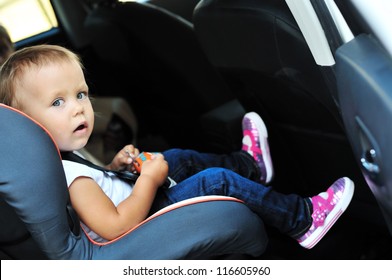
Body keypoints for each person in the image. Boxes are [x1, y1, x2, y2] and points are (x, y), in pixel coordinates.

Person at [0, 44, 355, 250]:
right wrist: (148, 181)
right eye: (57, 103)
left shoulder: (62, 157)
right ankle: (303, 220)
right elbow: (114, 226)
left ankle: (249, 165)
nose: (79, 106)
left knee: (175, 158)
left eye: (80, 94)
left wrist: (117, 168)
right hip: (142, 225)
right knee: (215, 181)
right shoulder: (69, 177)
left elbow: (100, 187)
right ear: (28, 123)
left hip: (138, 204)